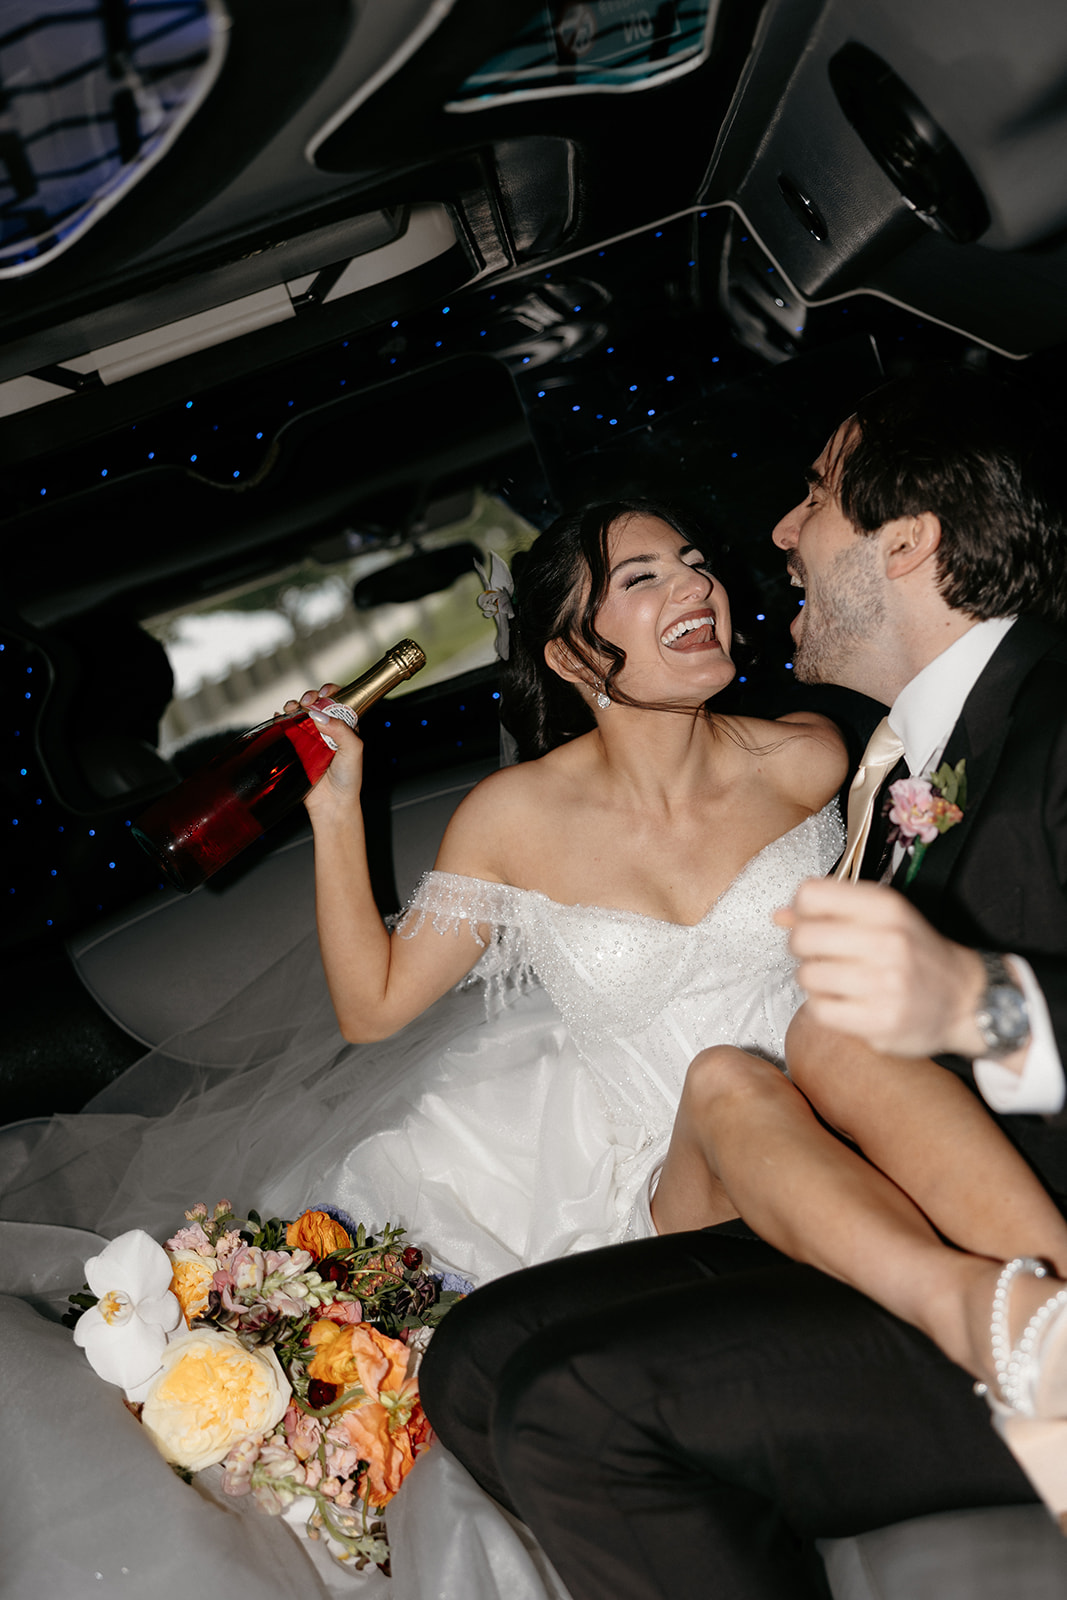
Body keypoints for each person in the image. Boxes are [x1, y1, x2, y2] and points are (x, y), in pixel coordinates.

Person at [0, 496, 853, 1600]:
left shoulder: (810, 756)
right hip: (646, 1170)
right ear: (570, 651)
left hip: (828, 1104)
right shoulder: (510, 818)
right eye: (644, 578)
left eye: (694, 562)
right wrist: (341, 809)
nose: (695, 585)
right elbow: (375, 1007)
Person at [417, 367, 1067, 1600]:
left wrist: (973, 1004)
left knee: (569, 1408)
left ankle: (1035, 1346)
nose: (768, 537)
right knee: (473, 1355)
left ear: (908, 541)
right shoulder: (888, 760)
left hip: (1022, 1199)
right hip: (874, 1174)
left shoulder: (1053, 713)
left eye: (813, 496)